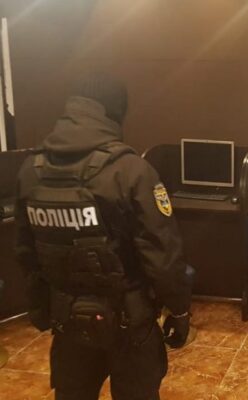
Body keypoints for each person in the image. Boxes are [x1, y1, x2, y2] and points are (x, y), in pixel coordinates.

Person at [14, 72, 192, 400]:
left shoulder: (31, 170)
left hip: (67, 321)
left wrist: (39, 306)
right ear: (115, 112)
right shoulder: (131, 170)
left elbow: (26, 253)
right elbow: (162, 256)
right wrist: (179, 311)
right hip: (129, 322)